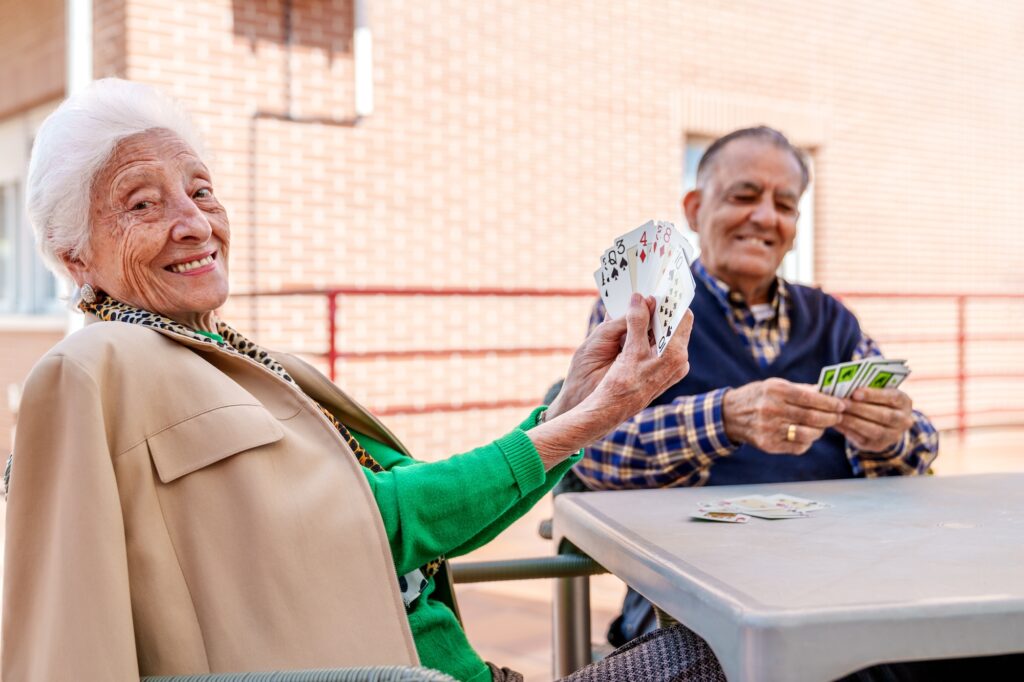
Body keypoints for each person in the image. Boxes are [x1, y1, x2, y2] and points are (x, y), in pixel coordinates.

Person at [1, 78, 730, 682]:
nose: (195, 223)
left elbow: (431, 517)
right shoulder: (100, 367)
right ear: (74, 258)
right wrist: (593, 418)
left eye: (201, 190)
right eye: (142, 203)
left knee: (731, 647)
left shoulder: (249, 360)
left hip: (473, 669)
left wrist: (574, 399)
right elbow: (383, 525)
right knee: (726, 655)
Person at [575, 127, 940, 646]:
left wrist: (889, 436)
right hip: (689, 598)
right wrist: (722, 419)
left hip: (848, 572)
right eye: (744, 196)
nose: (766, 217)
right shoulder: (646, 308)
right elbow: (591, 451)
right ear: (695, 209)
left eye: (785, 206)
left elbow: (920, 442)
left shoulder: (832, 318)